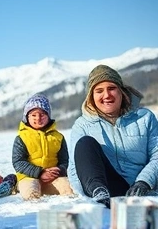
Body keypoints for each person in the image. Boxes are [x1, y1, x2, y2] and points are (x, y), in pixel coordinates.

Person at [67, 64, 158, 208]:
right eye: (99, 91)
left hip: (141, 189)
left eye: (111, 88)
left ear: (121, 91)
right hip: (107, 189)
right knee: (85, 143)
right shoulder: (82, 125)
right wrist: (89, 192)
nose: (106, 95)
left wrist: (144, 181)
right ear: (91, 97)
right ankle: (99, 194)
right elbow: (74, 169)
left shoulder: (145, 117)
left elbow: (156, 155)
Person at [12, 93, 73, 200]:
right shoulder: (21, 138)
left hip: (53, 178)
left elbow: (65, 160)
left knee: (70, 190)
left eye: (42, 114)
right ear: (27, 117)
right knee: (32, 196)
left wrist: (58, 170)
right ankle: (34, 215)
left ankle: (69, 213)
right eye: (34, 115)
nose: (38, 118)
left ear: (48, 116)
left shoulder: (58, 137)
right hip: (28, 178)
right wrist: (40, 173)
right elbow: (18, 162)